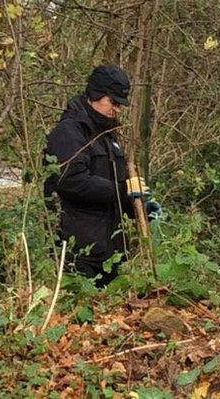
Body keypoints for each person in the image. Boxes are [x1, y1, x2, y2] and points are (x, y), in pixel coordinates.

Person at [43, 65, 159, 286]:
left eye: (120, 104)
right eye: (112, 102)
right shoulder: (69, 132)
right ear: (95, 94)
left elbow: (110, 188)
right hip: (78, 253)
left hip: (108, 252)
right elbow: (71, 181)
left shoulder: (108, 136)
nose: (117, 109)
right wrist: (124, 189)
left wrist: (139, 206)